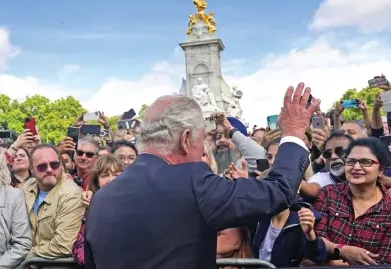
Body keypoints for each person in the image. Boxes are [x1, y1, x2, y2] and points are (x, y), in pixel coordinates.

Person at [84, 82, 319, 269]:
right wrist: (294, 132)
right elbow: (277, 191)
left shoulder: (102, 197)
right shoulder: (193, 180)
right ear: (186, 139)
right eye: (200, 141)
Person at [312, 137, 391, 265]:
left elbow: (387, 263)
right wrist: (342, 250)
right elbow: (315, 241)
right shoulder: (328, 194)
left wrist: (328, 262)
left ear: (381, 170)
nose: (356, 167)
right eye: (350, 161)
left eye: (366, 162)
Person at [23, 144, 85, 261]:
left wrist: (24, 255)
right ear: (31, 169)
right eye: (42, 167)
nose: (49, 169)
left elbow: (63, 245)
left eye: (54, 164)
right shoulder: (28, 186)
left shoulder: (71, 194)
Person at [72, 155, 124, 266]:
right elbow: (80, 253)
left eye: (117, 175)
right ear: (97, 182)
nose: (111, 180)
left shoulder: (134, 205)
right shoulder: (91, 208)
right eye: (105, 175)